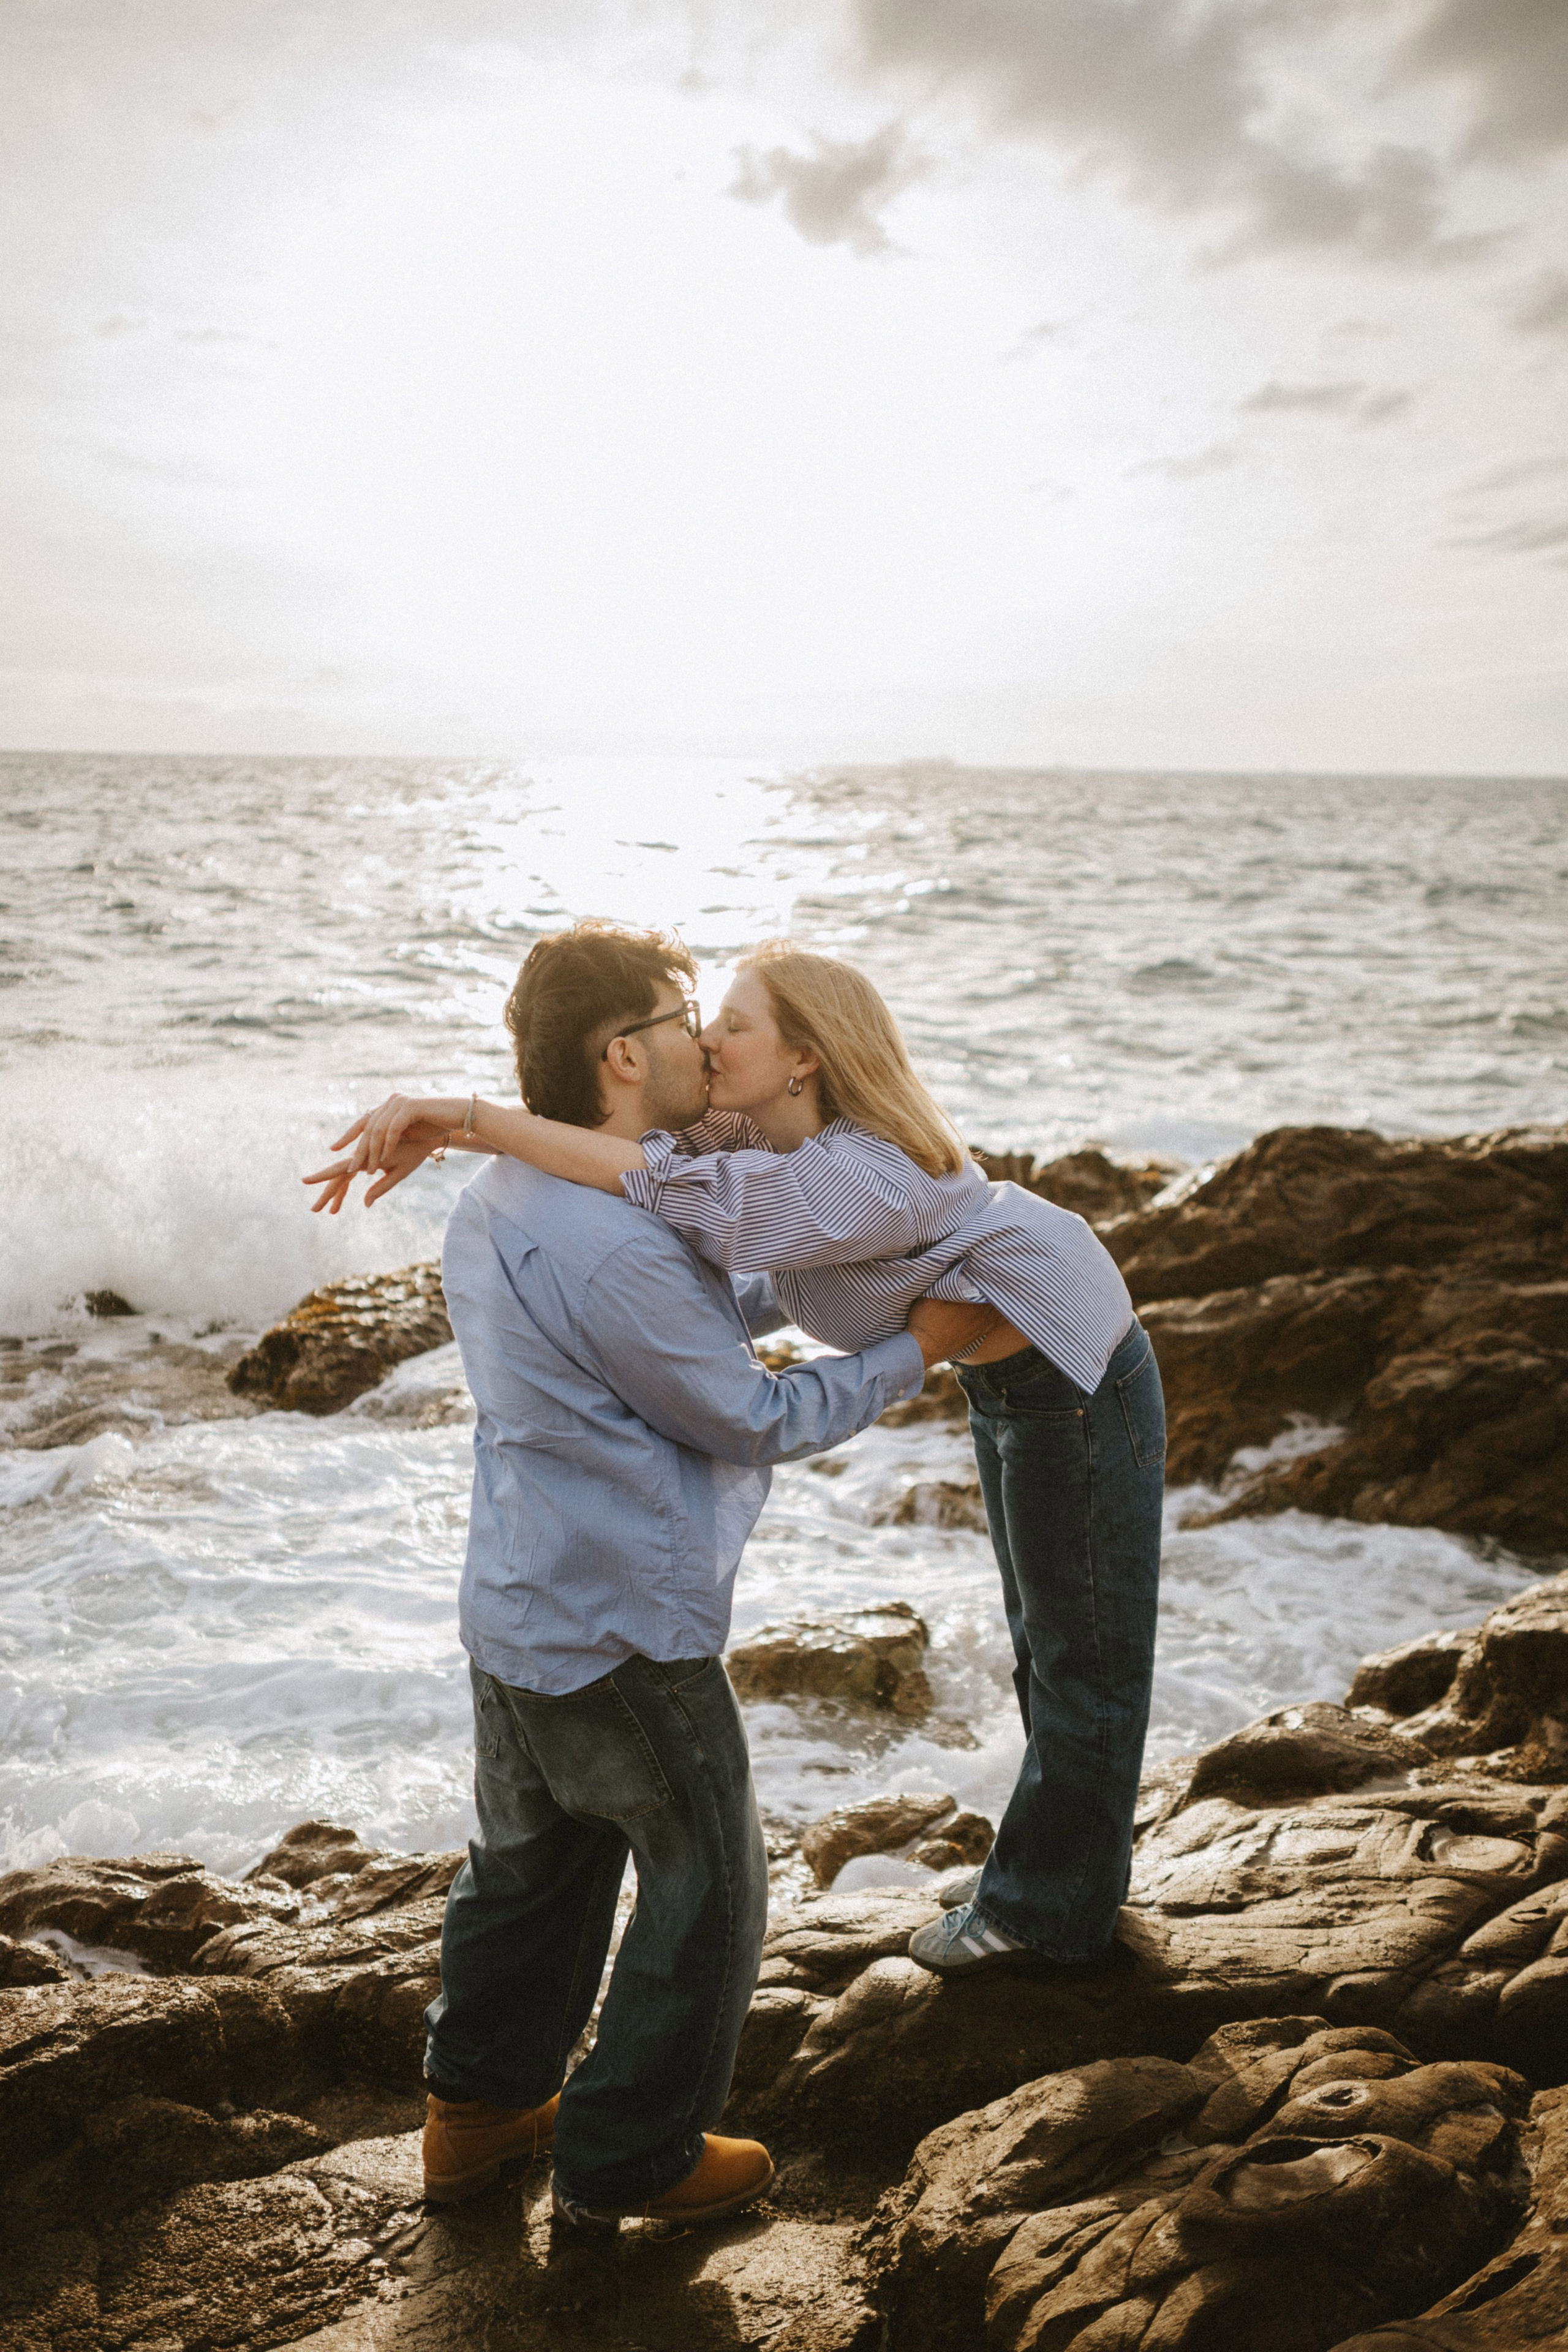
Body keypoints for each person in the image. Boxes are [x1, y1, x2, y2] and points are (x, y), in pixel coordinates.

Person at [313, 937, 1166, 1991]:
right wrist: (453, 1128)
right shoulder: (756, 1122)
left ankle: (1052, 1914)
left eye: (733, 1025)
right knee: (1045, 1638)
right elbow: (611, 1139)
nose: (708, 1041)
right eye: (699, 1020)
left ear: (804, 1057)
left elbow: (664, 1186)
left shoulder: (857, 1176)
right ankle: (1055, 1870)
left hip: (1074, 1370)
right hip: (1005, 1373)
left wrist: (470, 1120)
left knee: (1087, 1650)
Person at [309, 923, 985, 2230]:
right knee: (712, 1881)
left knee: (529, 1869)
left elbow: (678, 1319)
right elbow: (749, 1417)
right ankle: (630, 2154)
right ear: (622, 1055)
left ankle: (477, 2116)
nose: (701, 1037)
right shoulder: (607, 1234)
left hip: (517, 1599)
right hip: (618, 1620)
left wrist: (811, 1288)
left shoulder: (512, 1196)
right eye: (682, 1014)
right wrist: (918, 1351)